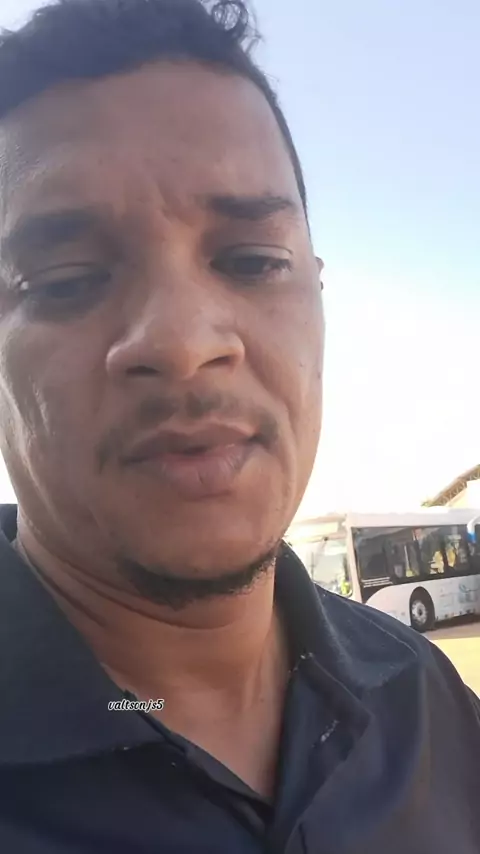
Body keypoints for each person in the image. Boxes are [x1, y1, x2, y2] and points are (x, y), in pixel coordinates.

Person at [0, 1, 478, 851]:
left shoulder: (427, 698)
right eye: (67, 280)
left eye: (254, 261)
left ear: (317, 297)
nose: (185, 344)